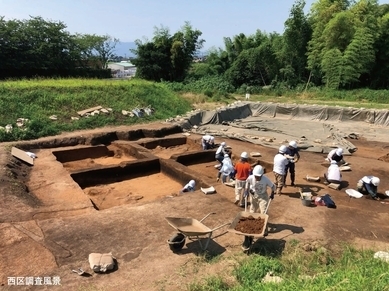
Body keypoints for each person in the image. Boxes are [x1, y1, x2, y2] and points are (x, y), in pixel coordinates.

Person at [242, 165, 276, 250]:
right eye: (255, 176)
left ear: (261, 175)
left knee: (263, 213)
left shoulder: (265, 179)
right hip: (253, 195)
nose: (256, 178)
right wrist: (246, 190)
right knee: (251, 212)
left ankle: (265, 229)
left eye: (258, 176)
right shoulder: (251, 177)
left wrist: (272, 194)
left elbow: (273, 186)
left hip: (263, 197)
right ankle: (250, 229)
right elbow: (247, 182)